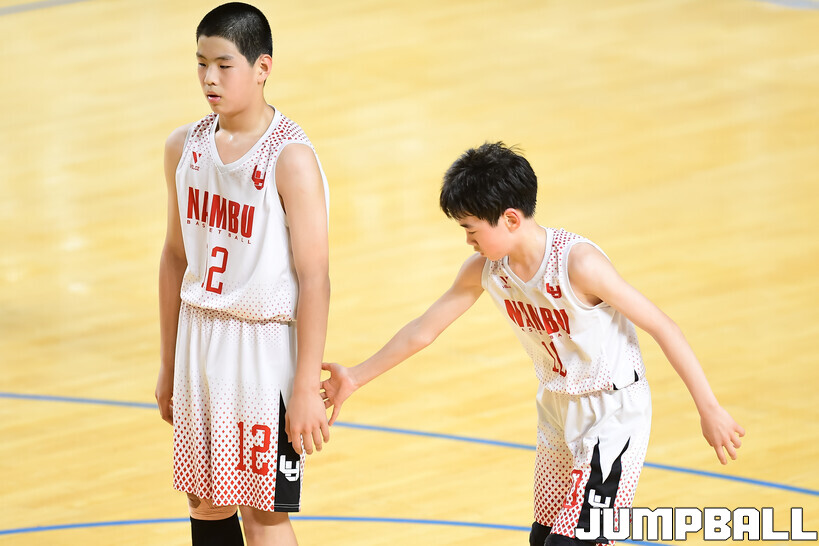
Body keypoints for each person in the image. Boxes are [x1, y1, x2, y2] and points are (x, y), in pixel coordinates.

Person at [321, 142, 745, 546]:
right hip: (557, 408)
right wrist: (355, 377)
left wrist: (709, 408)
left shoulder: (579, 264)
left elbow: (665, 327)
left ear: (509, 219)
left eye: (471, 229)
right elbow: (423, 330)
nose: (468, 240)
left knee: (573, 540)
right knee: (543, 538)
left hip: (613, 412)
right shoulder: (485, 270)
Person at [155, 3, 331, 545]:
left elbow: (316, 278)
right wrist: (168, 363)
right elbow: (174, 257)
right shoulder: (182, 147)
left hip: (263, 349)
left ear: (262, 68)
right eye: (201, 63)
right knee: (205, 501)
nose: (209, 78)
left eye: (224, 65)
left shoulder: (290, 158)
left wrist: (305, 386)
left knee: (263, 513)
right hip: (199, 336)